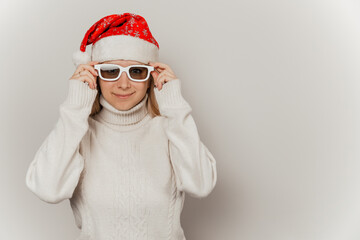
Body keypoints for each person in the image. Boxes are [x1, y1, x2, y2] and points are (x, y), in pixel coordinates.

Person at [25, 12, 217, 240]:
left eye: (136, 71)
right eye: (110, 71)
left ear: (150, 77)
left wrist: (174, 106)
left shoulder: (171, 129)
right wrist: (74, 107)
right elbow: (47, 189)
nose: (123, 84)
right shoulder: (79, 133)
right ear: (94, 75)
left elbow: (201, 184)